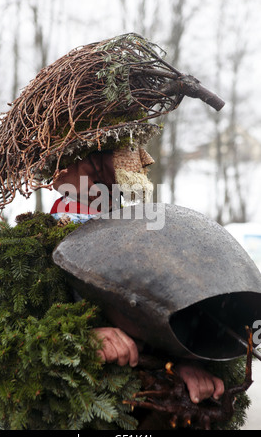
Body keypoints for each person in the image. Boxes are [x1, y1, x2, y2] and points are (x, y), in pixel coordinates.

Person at [50, 143, 225, 405]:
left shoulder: (143, 233)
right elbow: (26, 340)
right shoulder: (39, 246)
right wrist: (81, 338)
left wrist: (182, 361)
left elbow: (167, 300)